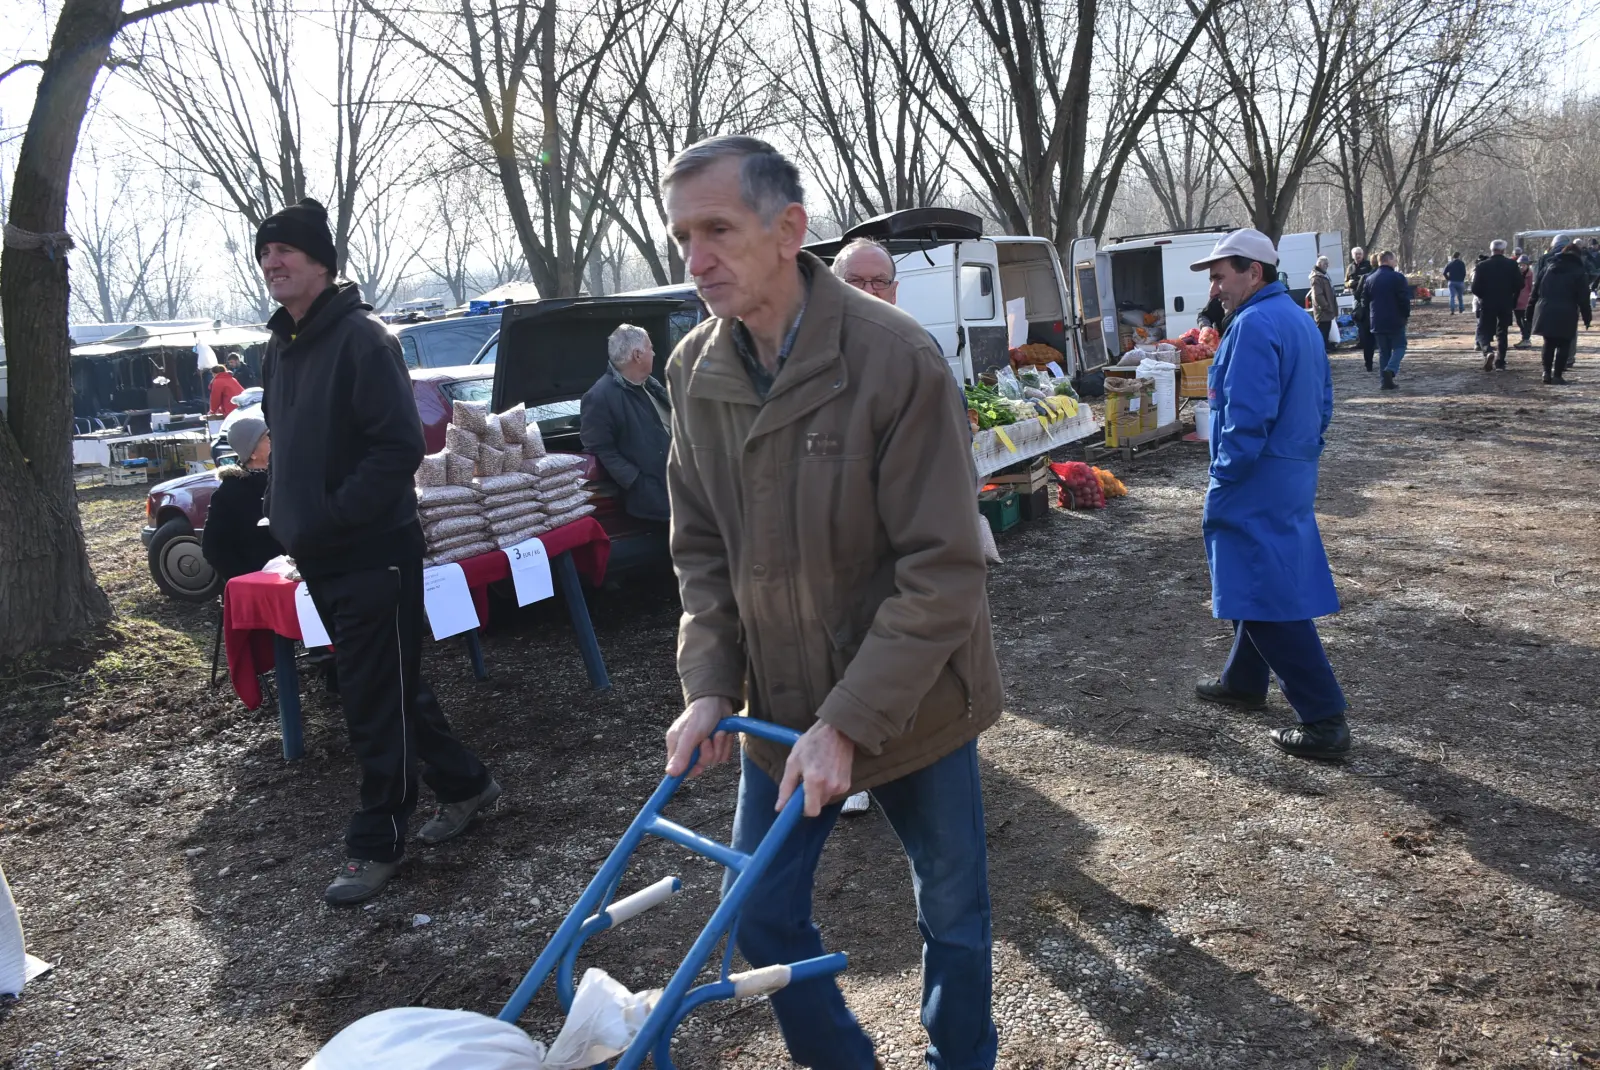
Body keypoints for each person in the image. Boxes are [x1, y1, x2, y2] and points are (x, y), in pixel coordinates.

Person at [659, 136, 1003, 1070]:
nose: (696, 260)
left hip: (916, 695)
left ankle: (960, 1059)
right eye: (684, 235)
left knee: (955, 914)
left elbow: (943, 568)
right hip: (778, 706)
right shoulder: (695, 372)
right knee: (762, 919)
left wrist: (849, 720)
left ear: (789, 230)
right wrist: (707, 685)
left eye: (718, 230)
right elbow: (700, 552)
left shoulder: (896, 358)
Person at [257, 198, 499, 906]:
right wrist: (287, 514)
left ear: (322, 263)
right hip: (321, 555)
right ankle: (467, 784)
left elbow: (398, 448)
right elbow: (287, 444)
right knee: (383, 684)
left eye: (287, 252)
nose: (272, 262)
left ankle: (377, 840)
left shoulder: (364, 339)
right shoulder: (280, 347)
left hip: (373, 552)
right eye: (265, 252)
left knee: (371, 697)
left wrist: (330, 519)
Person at [1187, 229, 1350, 760]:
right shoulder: (1297, 320)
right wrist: (1304, 450)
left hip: (1256, 477)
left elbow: (1248, 415)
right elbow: (1323, 400)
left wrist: (1226, 473)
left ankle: (1324, 718)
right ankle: (1244, 680)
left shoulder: (1255, 324)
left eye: (1219, 276)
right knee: (1262, 582)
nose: (1215, 289)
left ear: (1253, 272)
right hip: (1289, 470)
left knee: (1264, 596)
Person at [579, 323, 671, 524]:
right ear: (638, 355)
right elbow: (600, 449)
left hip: (686, 492)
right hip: (656, 501)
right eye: (650, 348)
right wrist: (638, 482)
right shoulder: (600, 397)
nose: (654, 353)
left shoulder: (650, 385)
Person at [200, 416, 283, 581]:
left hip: (292, 581)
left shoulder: (283, 480)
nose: (274, 441)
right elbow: (213, 547)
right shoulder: (231, 492)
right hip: (259, 585)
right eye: (267, 438)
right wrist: (245, 579)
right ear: (252, 452)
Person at [1528, 238, 1594, 385]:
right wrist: (1587, 317)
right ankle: (1557, 375)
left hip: (1545, 308)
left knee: (1548, 342)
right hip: (1567, 309)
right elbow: (1583, 297)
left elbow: (1535, 290)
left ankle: (1546, 372)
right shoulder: (1579, 271)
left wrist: (1530, 310)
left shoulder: (1548, 267)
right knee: (1564, 343)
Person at [1470, 239, 1524, 371]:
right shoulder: (1511, 265)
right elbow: (1520, 284)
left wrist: (1484, 297)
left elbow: (1475, 288)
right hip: (1505, 302)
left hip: (1488, 302)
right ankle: (1500, 361)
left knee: (1483, 330)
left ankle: (1487, 350)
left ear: (1491, 249)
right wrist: (1511, 295)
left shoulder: (1482, 266)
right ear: (1504, 250)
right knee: (1502, 332)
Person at [1365, 251, 1411, 391]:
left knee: (1384, 352)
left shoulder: (1370, 279)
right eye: (1394, 260)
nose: (1395, 262)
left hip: (1377, 320)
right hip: (1395, 318)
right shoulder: (1397, 278)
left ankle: (1385, 382)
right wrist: (1406, 315)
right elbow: (1404, 299)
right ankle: (1390, 369)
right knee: (1400, 347)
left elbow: (1365, 300)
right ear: (1388, 260)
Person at [1346, 247, 1377, 371]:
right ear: (1353, 255)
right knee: (1360, 320)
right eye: (1356, 254)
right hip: (1357, 296)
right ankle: (1362, 340)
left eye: (1360, 254)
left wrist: (1361, 281)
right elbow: (1346, 282)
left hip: (1368, 296)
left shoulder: (1368, 265)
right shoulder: (1350, 267)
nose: (1358, 256)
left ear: (1363, 255)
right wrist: (1351, 283)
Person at [1308, 255, 1338, 353]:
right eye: (1325, 264)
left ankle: (1326, 346)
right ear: (1319, 264)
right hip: (1323, 311)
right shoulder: (1316, 277)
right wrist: (1326, 306)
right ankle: (1321, 348)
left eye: (1327, 264)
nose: (1327, 266)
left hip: (1327, 309)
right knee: (1322, 330)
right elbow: (1317, 295)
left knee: (1326, 329)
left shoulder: (1323, 275)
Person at [1514, 254, 1535, 349]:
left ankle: (1526, 339)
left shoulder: (1531, 275)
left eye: (1523, 265)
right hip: (1517, 302)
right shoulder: (1516, 274)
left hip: (1526, 302)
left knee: (1525, 322)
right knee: (1519, 321)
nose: (1521, 267)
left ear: (1527, 265)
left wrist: (1531, 299)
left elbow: (1532, 288)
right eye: (1520, 265)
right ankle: (1524, 338)